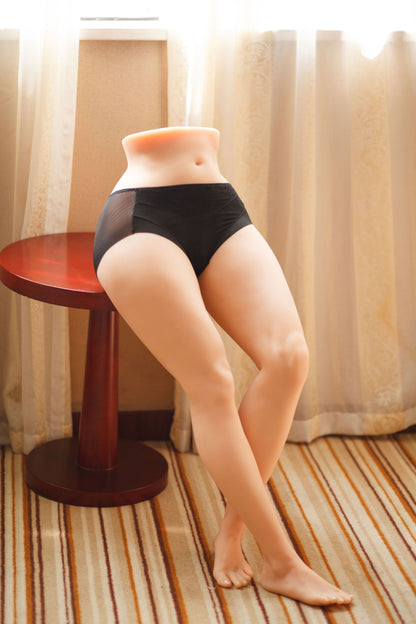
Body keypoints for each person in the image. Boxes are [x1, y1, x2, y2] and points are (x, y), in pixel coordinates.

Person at [93, 126, 353, 606]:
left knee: (289, 357)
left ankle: (232, 533)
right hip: (140, 219)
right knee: (212, 381)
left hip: (218, 205)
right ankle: (281, 562)